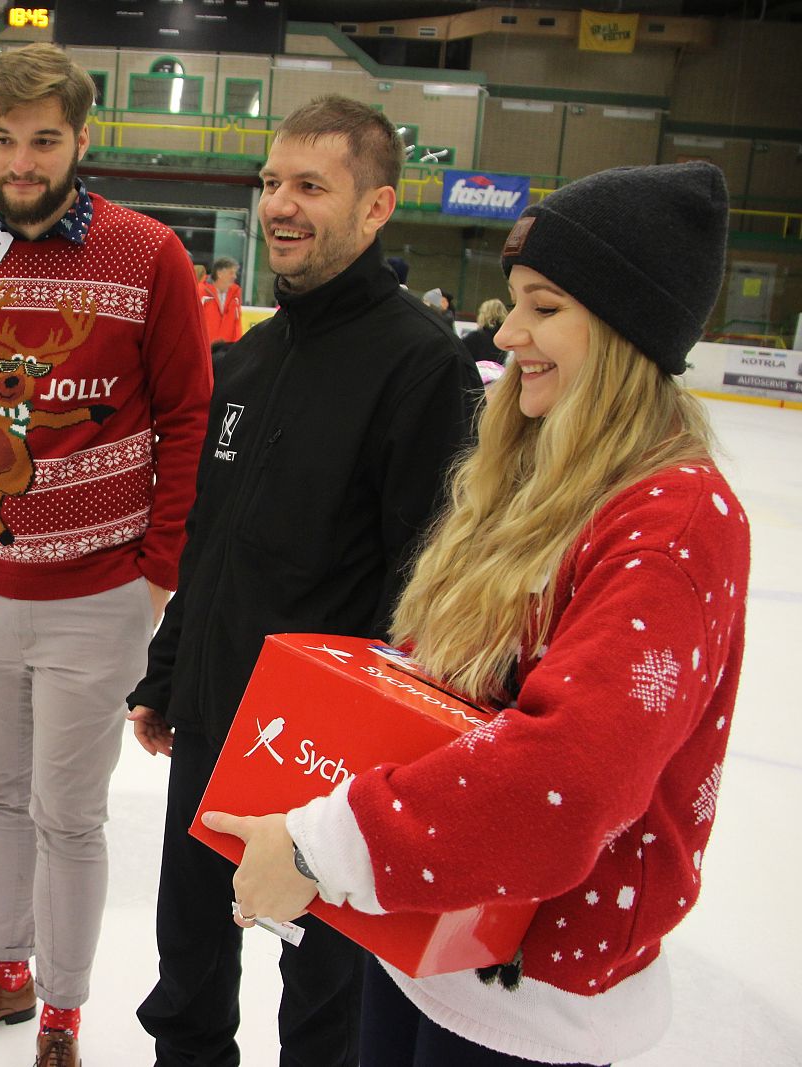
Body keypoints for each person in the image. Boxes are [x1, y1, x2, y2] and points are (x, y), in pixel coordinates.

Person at [210, 161, 746, 1067]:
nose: (509, 332)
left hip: (530, 994)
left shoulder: (674, 520)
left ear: (626, 329)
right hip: (425, 936)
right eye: (515, 302)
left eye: (546, 307)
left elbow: (568, 779)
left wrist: (321, 847)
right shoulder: (542, 475)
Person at [126, 94, 481, 1067]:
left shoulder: (421, 366)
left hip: (332, 761)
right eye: (272, 181)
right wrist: (171, 669)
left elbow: (428, 591)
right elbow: (213, 535)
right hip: (216, 717)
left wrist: (381, 766)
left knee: (325, 999)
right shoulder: (252, 355)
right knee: (188, 964)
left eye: (311, 186)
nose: (280, 204)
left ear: (376, 207)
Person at [0, 42, 212, 1067]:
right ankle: (6, 974)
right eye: (2, 139)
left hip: (99, 593)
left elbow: (187, 416)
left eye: (42, 140)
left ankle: (63, 1013)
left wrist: (159, 568)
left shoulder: (148, 254)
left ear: (80, 140)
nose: (20, 162)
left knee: (67, 814)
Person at [198, 255, 243, 346]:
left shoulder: (235, 295)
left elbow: (237, 325)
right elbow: (194, 323)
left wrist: (237, 346)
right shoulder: (200, 292)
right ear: (219, 273)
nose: (234, 276)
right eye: (231, 273)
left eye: (235, 273)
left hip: (226, 350)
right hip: (205, 348)